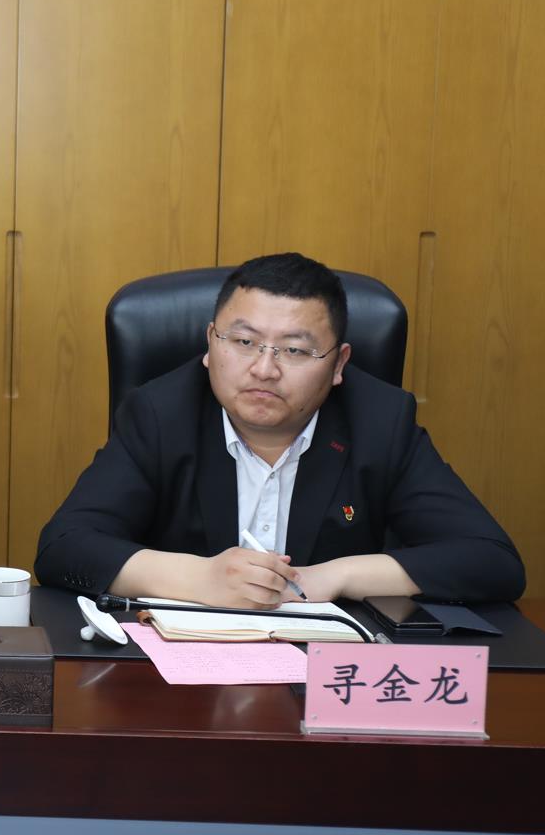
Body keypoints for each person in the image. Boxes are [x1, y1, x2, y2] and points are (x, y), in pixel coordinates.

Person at [35, 252, 524, 607]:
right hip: (178, 679)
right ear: (210, 344)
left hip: (325, 679)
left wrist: (335, 576)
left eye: (294, 350)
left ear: (339, 364)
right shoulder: (160, 413)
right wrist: (201, 578)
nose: (264, 370)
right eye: (243, 341)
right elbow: (64, 547)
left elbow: (491, 561)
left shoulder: (381, 421)